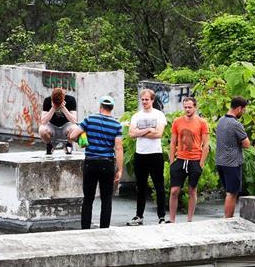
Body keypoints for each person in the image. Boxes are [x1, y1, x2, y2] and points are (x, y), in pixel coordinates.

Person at [72, 95, 123, 229]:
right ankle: (104, 229)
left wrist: (81, 140)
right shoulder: (117, 125)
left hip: (91, 162)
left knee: (88, 198)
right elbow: (118, 148)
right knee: (106, 199)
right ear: (111, 108)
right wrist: (120, 169)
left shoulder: (90, 119)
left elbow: (72, 135)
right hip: (107, 163)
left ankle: (85, 229)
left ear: (100, 107)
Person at [126, 88, 168, 225]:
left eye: (147, 99)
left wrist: (140, 132)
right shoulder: (136, 116)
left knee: (159, 186)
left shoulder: (159, 115)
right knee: (141, 186)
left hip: (155, 154)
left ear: (152, 100)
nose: (144, 102)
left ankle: (161, 216)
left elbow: (158, 134)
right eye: (143, 99)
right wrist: (149, 129)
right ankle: (139, 216)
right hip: (140, 154)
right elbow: (131, 134)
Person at [167, 96, 209, 223]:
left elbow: (206, 144)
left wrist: (201, 163)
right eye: (185, 107)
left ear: (195, 107)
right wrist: (172, 161)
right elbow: (173, 142)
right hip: (180, 160)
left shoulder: (202, 123)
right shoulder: (177, 122)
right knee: (174, 190)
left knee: (192, 190)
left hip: (195, 160)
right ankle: (172, 220)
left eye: (190, 107)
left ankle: (189, 220)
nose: (187, 109)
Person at [215, 96, 251, 218]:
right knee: (232, 193)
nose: (244, 112)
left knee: (228, 192)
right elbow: (247, 144)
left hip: (220, 161)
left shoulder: (220, 121)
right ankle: (228, 220)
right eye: (244, 110)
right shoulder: (236, 124)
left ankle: (228, 218)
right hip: (232, 163)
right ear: (239, 108)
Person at [39, 87, 79, 155]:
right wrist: (53, 108)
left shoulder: (70, 99)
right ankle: (49, 145)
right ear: (51, 98)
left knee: (75, 128)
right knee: (42, 130)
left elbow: (74, 121)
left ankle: (68, 145)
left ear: (64, 98)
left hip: (66, 127)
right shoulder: (47, 100)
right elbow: (43, 122)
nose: (57, 103)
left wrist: (63, 108)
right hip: (52, 127)